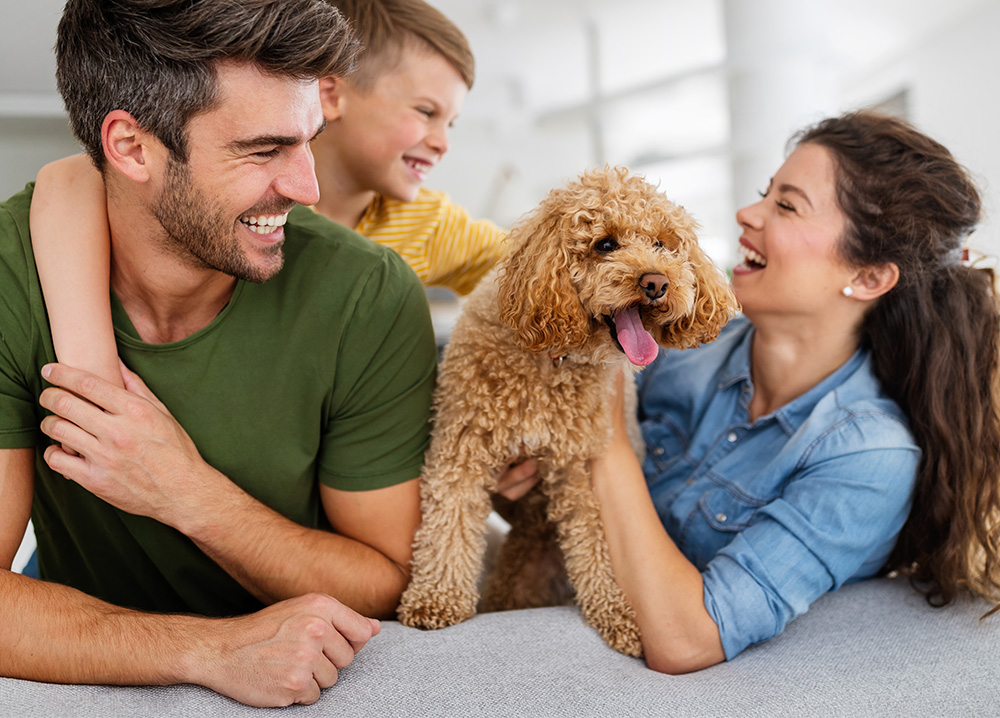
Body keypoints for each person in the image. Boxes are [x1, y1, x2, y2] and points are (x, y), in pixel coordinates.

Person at [0, 0, 439, 707]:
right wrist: (207, 651)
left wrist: (186, 492)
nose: (308, 187)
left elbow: (386, 579)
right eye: (264, 150)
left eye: (309, 141)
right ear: (131, 147)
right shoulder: (11, 274)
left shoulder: (367, 294)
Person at [503, 110, 1000, 672]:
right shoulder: (681, 352)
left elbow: (688, 639)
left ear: (868, 278)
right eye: (766, 192)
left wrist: (604, 432)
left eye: (786, 205)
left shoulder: (868, 458)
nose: (746, 213)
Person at [29, 0, 505, 391]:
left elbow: (539, 276)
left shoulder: (430, 224)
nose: (443, 141)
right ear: (329, 93)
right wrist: (92, 372)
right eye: (426, 111)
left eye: (452, 122)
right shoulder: (237, 196)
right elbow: (70, 181)